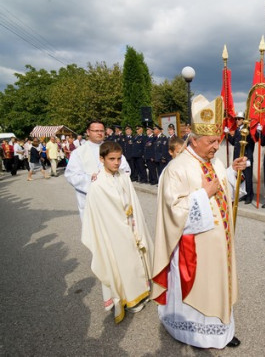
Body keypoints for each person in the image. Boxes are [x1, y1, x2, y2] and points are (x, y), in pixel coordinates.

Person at [152, 94, 246, 349]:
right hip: (194, 250)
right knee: (202, 289)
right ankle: (197, 334)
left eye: (219, 140)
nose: (217, 146)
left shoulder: (213, 160)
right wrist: (203, 194)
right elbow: (174, 211)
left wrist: (231, 172)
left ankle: (222, 330)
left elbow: (220, 188)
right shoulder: (177, 168)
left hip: (219, 244)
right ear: (194, 140)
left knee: (219, 285)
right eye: (211, 141)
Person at [81, 141, 153, 324]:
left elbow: (131, 201)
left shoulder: (123, 176)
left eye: (119, 158)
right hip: (114, 232)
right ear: (102, 159)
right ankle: (129, 299)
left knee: (137, 259)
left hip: (130, 224)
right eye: (111, 159)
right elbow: (99, 215)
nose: (116, 162)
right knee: (124, 264)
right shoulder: (97, 186)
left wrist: (135, 223)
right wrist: (121, 225)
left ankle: (142, 291)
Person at [65, 120, 131, 219]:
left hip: (113, 197)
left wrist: (113, 178)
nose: (99, 133)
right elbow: (71, 175)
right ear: (88, 132)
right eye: (96, 130)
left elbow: (125, 169)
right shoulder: (78, 153)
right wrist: (91, 179)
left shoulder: (112, 148)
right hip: (90, 198)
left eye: (102, 130)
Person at [226, 111, 255, 204]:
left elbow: (251, 145)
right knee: (240, 178)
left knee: (248, 177)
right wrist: (227, 134)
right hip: (237, 158)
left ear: (243, 120)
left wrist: (248, 158)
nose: (237, 120)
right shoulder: (238, 130)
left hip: (244, 158)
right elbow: (233, 142)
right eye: (236, 119)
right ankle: (244, 194)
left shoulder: (247, 130)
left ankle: (250, 196)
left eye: (239, 119)